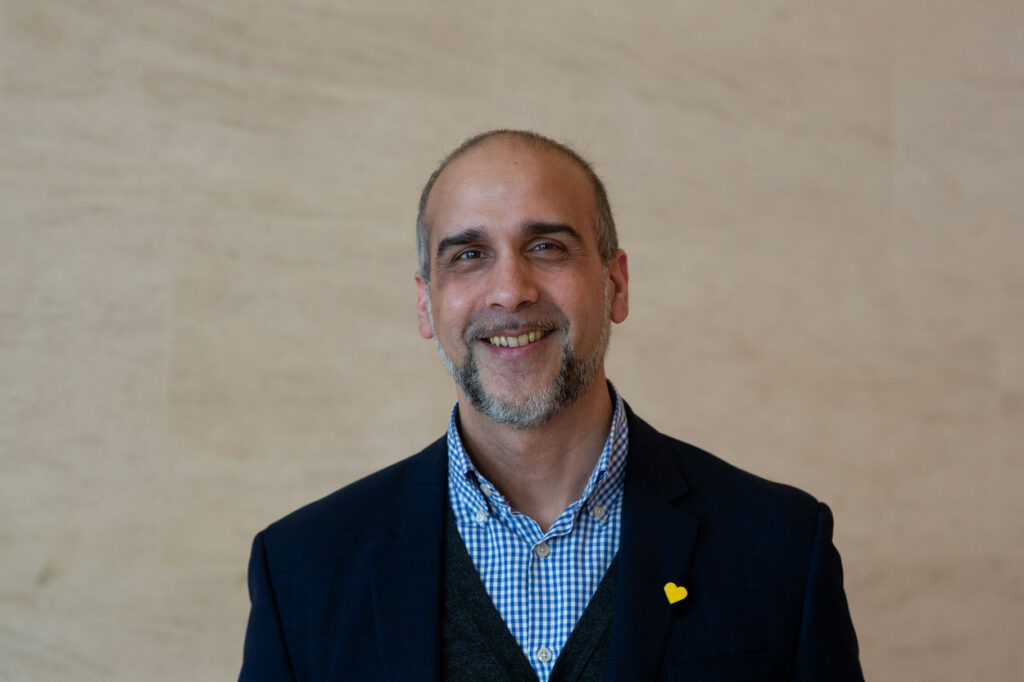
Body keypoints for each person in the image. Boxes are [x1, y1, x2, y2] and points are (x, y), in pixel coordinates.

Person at [239, 130, 863, 681]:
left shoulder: (780, 548)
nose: (511, 290)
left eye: (547, 247)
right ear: (426, 304)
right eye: (468, 255)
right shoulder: (302, 570)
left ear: (615, 284)